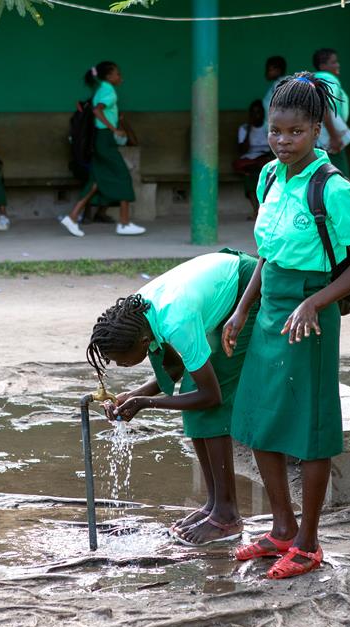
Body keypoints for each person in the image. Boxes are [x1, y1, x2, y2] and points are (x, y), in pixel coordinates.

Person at [223, 73, 350, 579]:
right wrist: (243, 308)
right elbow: (266, 255)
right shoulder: (270, 177)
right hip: (270, 309)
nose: (282, 141)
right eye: (275, 131)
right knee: (259, 422)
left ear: (317, 130)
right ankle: (282, 530)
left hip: (311, 316)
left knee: (308, 430)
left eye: (294, 132)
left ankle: (309, 543)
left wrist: (315, 302)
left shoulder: (333, 189)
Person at [88, 250, 259, 545]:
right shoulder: (140, 314)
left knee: (205, 397)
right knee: (194, 386)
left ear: (142, 342)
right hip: (221, 290)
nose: (119, 365)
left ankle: (227, 515)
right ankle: (214, 503)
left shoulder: (175, 319)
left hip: (248, 289)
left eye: (121, 358)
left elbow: (210, 396)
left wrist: (145, 403)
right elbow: (175, 366)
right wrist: (133, 396)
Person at [60, 61, 144, 238]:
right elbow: (97, 111)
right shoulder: (109, 91)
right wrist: (114, 129)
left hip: (99, 139)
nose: (121, 77)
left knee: (95, 182)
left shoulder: (101, 89)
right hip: (105, 139)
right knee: (122, 176)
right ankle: (124, 222)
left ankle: (72, 217)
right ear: (108, 76)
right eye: (118, 74)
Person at [313, 48, 350, 177]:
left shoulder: (314, 80)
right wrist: (334, 136)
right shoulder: (328, 79)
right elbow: (324, 107)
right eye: (333, 62)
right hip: (328, 138)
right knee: (343, 180)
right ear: (322, 66)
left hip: (316, 138)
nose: (338, 65)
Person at [232, 100, 273, 218]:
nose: (257, 115)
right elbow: (243, 150)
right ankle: (257, 209)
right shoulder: (244, 128)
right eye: (254, 113)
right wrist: (250, 130)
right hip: (249, 160)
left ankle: (261, 209)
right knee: (247, 172)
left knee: (257, 173)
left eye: (259, 112)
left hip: (264, 158)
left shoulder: (267, 127)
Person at [262, 55, 287, 126]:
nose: (266, 72)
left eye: (268, 69)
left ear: (278, 70)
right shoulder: (275, 85)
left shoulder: (280, 84)